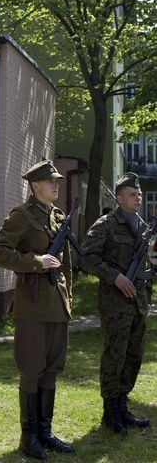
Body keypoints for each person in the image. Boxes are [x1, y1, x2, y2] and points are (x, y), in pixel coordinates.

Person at [0, 159, 75, 460]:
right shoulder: (22, 216)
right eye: (50, 181)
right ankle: (29, 437)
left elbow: (67, 266)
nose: (56, 185)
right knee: (31, 371)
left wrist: (69, 299)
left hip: (56, 305)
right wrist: (36, 263)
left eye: (57, 181)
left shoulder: (58, 216)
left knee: (52, 369)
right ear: (35, 185)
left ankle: (45, 432)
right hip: (33, 306)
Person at [80, 172, 151, 435]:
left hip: (138, 304)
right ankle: (110, 411)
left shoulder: (142, 226)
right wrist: (115, 277)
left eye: (140, 194)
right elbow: (86, 257)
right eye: (133, 194)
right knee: (115, 357)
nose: (138, 198)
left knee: (134, 357)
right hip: (115, 305)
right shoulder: (106, 224)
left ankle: (123, 405)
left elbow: (146, 266)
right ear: (120, 198)